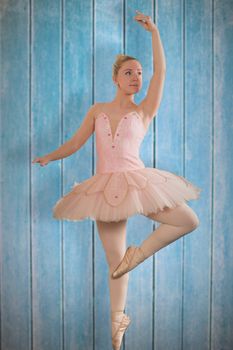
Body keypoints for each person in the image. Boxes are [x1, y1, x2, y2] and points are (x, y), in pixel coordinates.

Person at [32, 10, 202, 350]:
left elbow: (161, 73)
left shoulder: (144, 111)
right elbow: (77, 142)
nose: (136, 77)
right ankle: (117, 323)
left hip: (138, 183)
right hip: (104, 188)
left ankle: (139, 254)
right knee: (115, 264)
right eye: (129, 72)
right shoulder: (97, 110)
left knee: (187, 220)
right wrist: (51, 155)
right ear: (116, 78)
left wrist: (154, 31)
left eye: (139, 73)